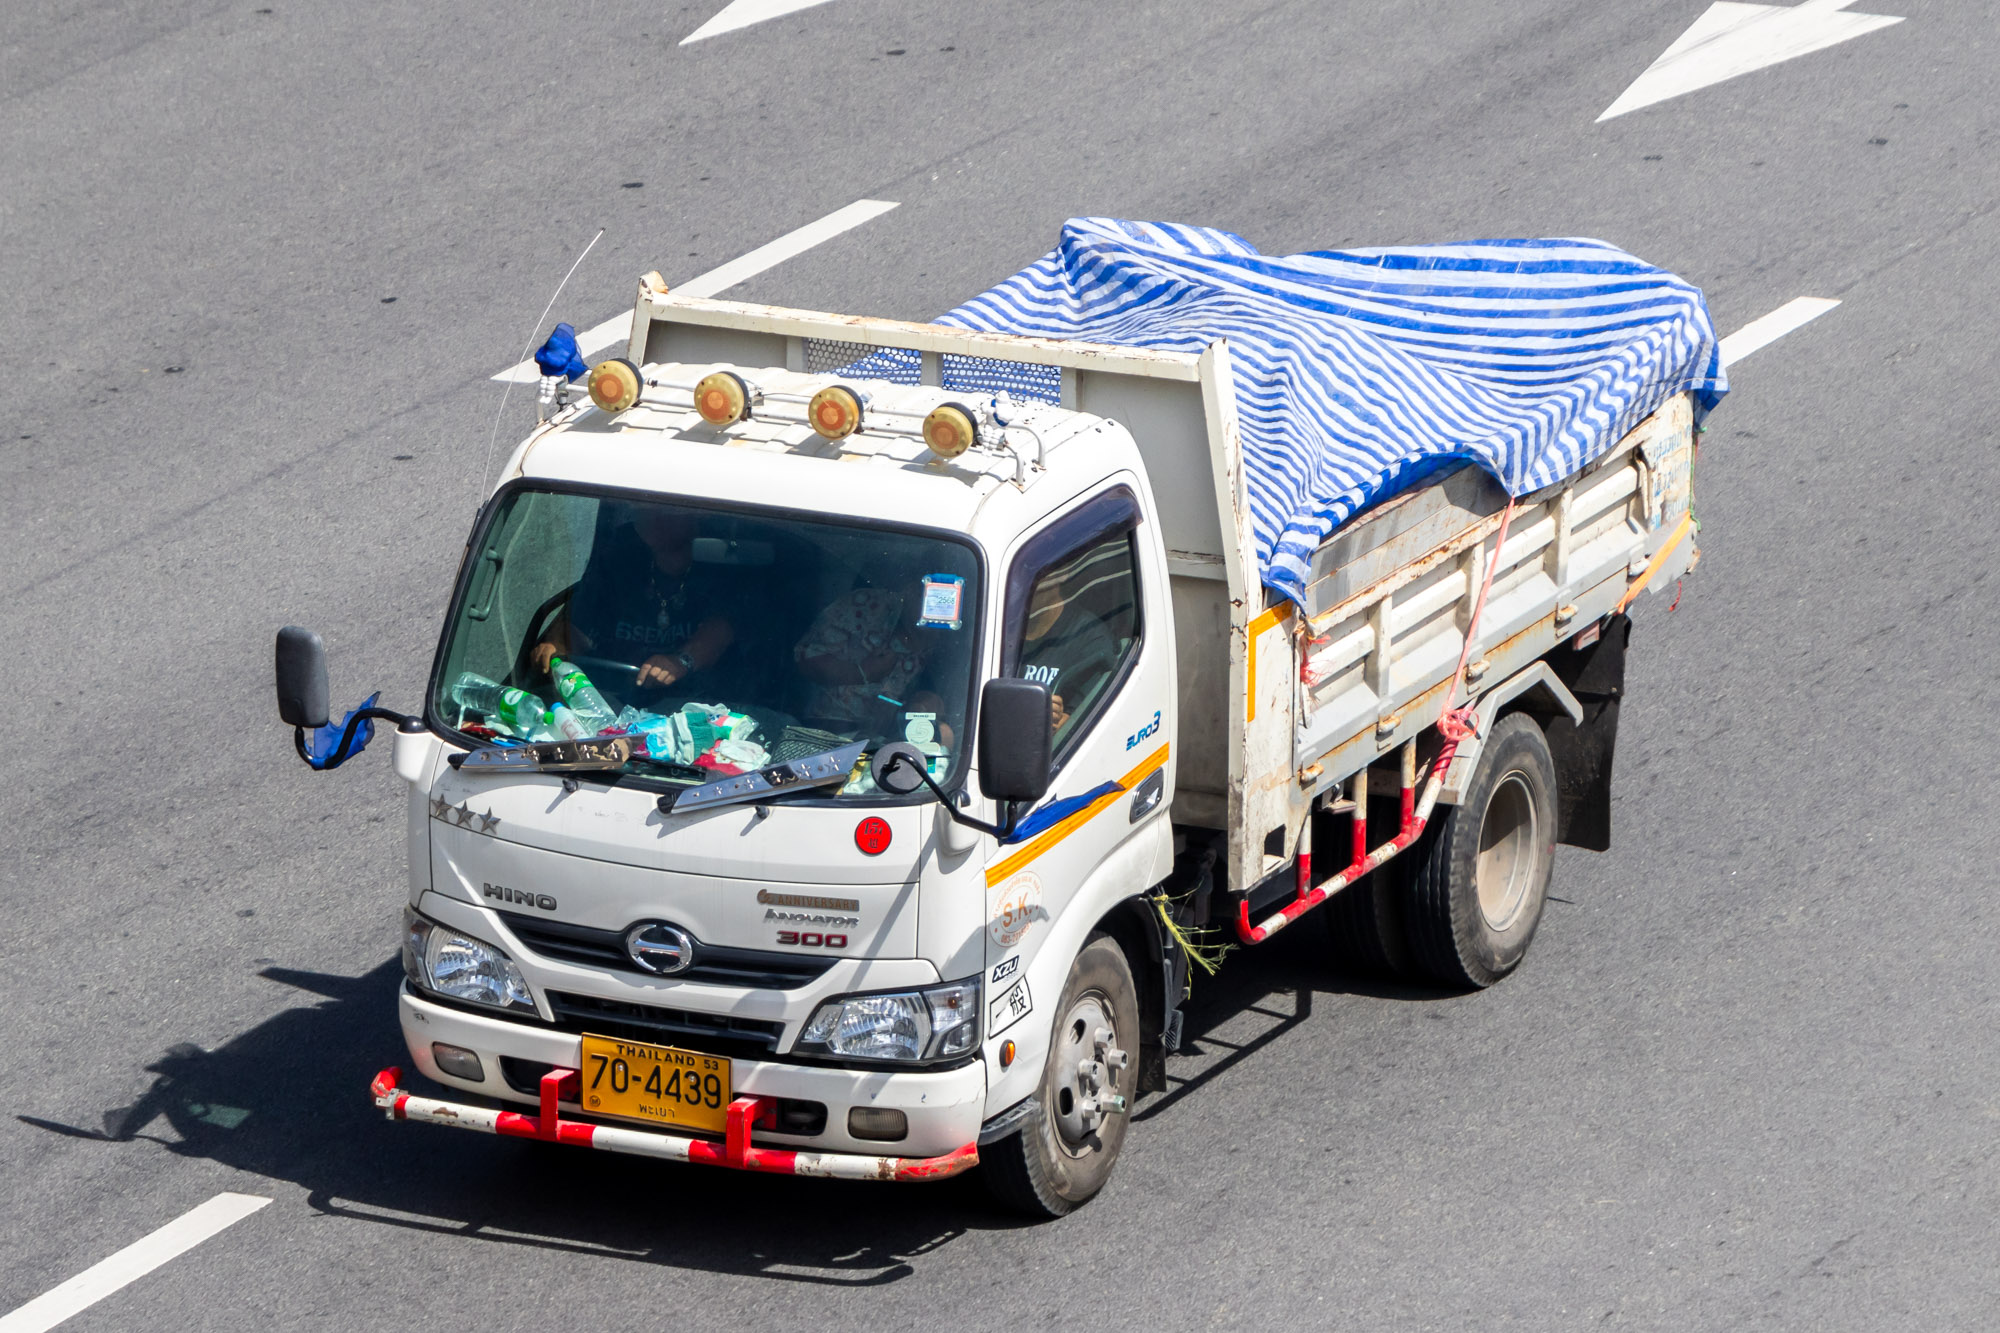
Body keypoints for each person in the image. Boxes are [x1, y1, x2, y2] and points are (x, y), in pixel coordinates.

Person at [532, 506, 738, 692]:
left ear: (697, 519)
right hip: (608, 695)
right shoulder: (619, 557)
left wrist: (680, 662)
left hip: (691, 702)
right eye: (647, 509)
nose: (655, 517)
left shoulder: (718, 561)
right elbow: (579, 623)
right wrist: (557, 647)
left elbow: (722, 629)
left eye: (670, 511)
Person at [793, 564, 947, 736]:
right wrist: (862, 672)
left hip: (886, 745)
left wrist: (915, 707)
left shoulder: (949, 638)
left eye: (947, 602)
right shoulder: (865, 606)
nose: (939, 611)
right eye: (934, 598)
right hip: (824, 732)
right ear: (911, 590)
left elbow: (940, 708)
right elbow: (806, 659)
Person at [1019, 570, 1117, 739]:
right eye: (1022, 571)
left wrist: (1048, 724)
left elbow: (1077, 725)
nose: (1025, 583)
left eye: (1035, 571)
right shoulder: (999, 627)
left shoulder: (1089, 638)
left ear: (1061, 573)